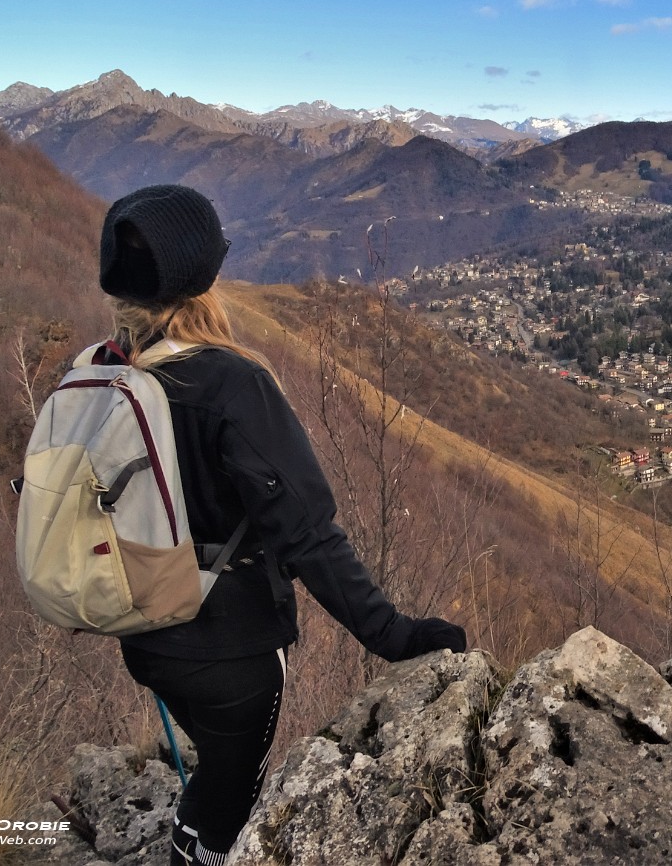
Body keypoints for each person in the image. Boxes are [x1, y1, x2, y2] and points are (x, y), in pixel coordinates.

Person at [94, 184, 467, 866]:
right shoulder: (232, 384)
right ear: (203, 275)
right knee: (230, 802)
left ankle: (192, 829)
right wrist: (398, 636)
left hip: (142, 637)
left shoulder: (102, 373)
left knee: (213, 768)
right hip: (230, 653)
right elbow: (308, 535)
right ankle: (196, 847)